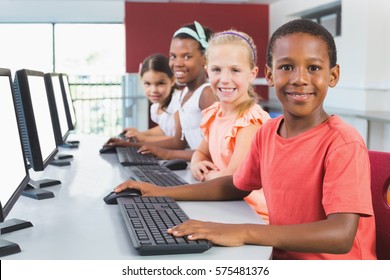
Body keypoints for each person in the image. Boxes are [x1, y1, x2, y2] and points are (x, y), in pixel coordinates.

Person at [113, 19, 377, 260]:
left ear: (332, 76)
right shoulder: (268, 132)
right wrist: (160, 192)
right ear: (270, 75)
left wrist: (243, 232)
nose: (299, 79)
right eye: (286, 67)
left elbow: (341, 235)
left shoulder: (343, 143)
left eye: (314, 67)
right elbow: (234, 186)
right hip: (275, 255)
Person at [106, 21, 217, 161]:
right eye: (173, 56)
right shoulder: (184, 94)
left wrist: (166, 154)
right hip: (195, 166)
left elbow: (214, 152)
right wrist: (128, 144)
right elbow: (178, 142)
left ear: (205, 57)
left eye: (187, 56)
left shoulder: (207, 94)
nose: (177, 63)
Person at [121, 53, 180, 143]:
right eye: (147, 84)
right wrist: (139, 133)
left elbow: (179, 140)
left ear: (172, 80)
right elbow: (165, 129)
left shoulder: (178, 102)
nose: (153, 90)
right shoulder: (155, 107)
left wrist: (142, 138)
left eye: (160, 83)